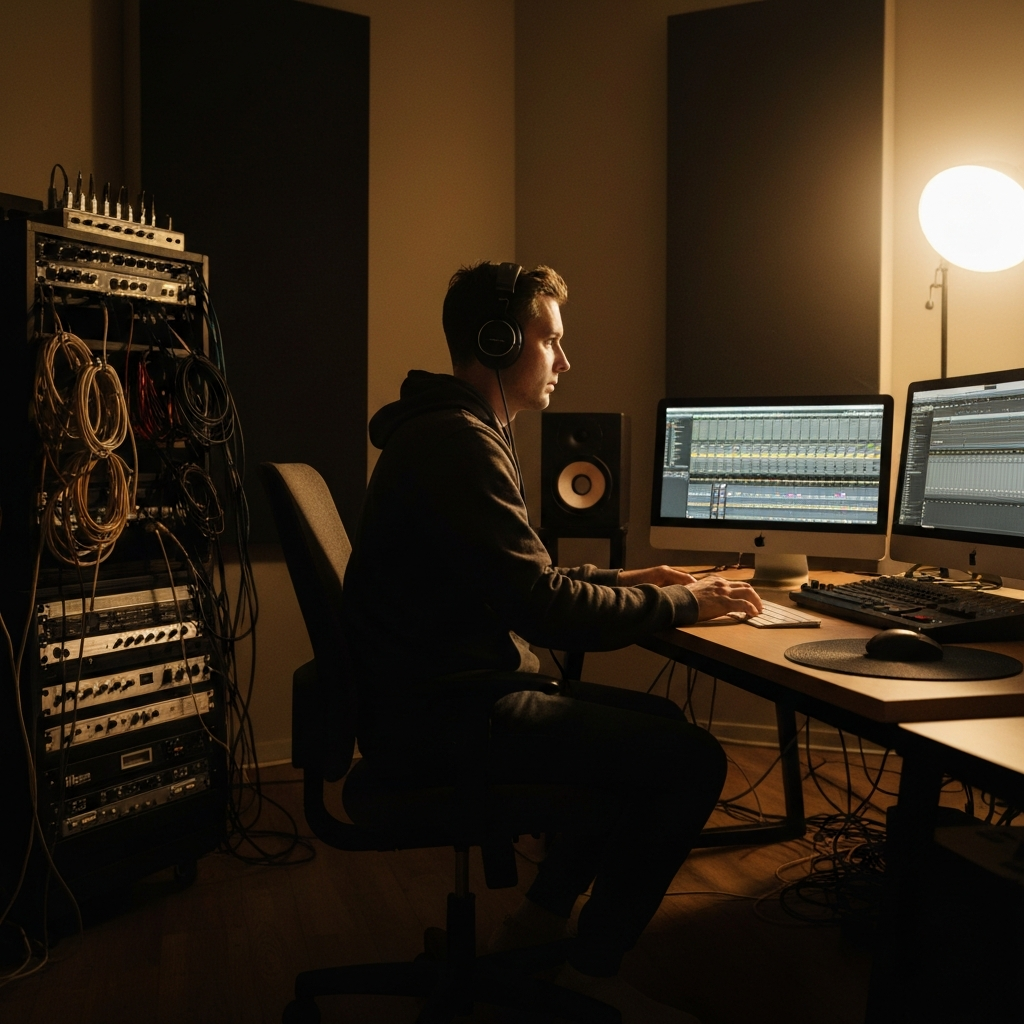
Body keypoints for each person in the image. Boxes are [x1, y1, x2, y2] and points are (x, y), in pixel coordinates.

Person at [343, 261, 762, 1024]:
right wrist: (681, 603)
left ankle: (535, 926)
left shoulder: (450, 431)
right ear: (498, 340)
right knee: (692, 759)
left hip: (436, 698)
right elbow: (544, 610)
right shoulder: (459, 443)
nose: (564, 361)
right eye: (550, 339)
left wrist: (634, 577)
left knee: (662, 729)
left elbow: (512, 574)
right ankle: (592, 969)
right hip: (453, 716)